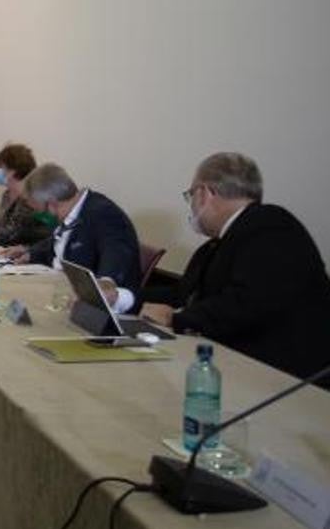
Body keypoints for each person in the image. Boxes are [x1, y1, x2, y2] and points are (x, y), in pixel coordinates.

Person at [140, 153, 330, 381]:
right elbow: (183, 293)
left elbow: (248, 301)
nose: (191, 204)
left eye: (190, 195)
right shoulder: (219, 243)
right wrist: (123, 298)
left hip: (287, 382)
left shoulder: (271, 225)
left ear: (204, 193)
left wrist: (176, 319)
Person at [1, 163, 142, 313]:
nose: (37, 214)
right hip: (58, 292)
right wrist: (29, 252)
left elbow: (116, 251)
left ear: (52, 204)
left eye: (37, 209)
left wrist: (107, 281)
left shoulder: (104, 214)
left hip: (89, 309)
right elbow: (58, 241)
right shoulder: (74, 211)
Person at [0, 143, 54, 247]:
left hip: (33, 255)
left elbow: (12, 235)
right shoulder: (6, 195)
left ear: (13, 171)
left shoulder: (30, 197)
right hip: (8, 252)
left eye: (1, 167)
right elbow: (0, 228)